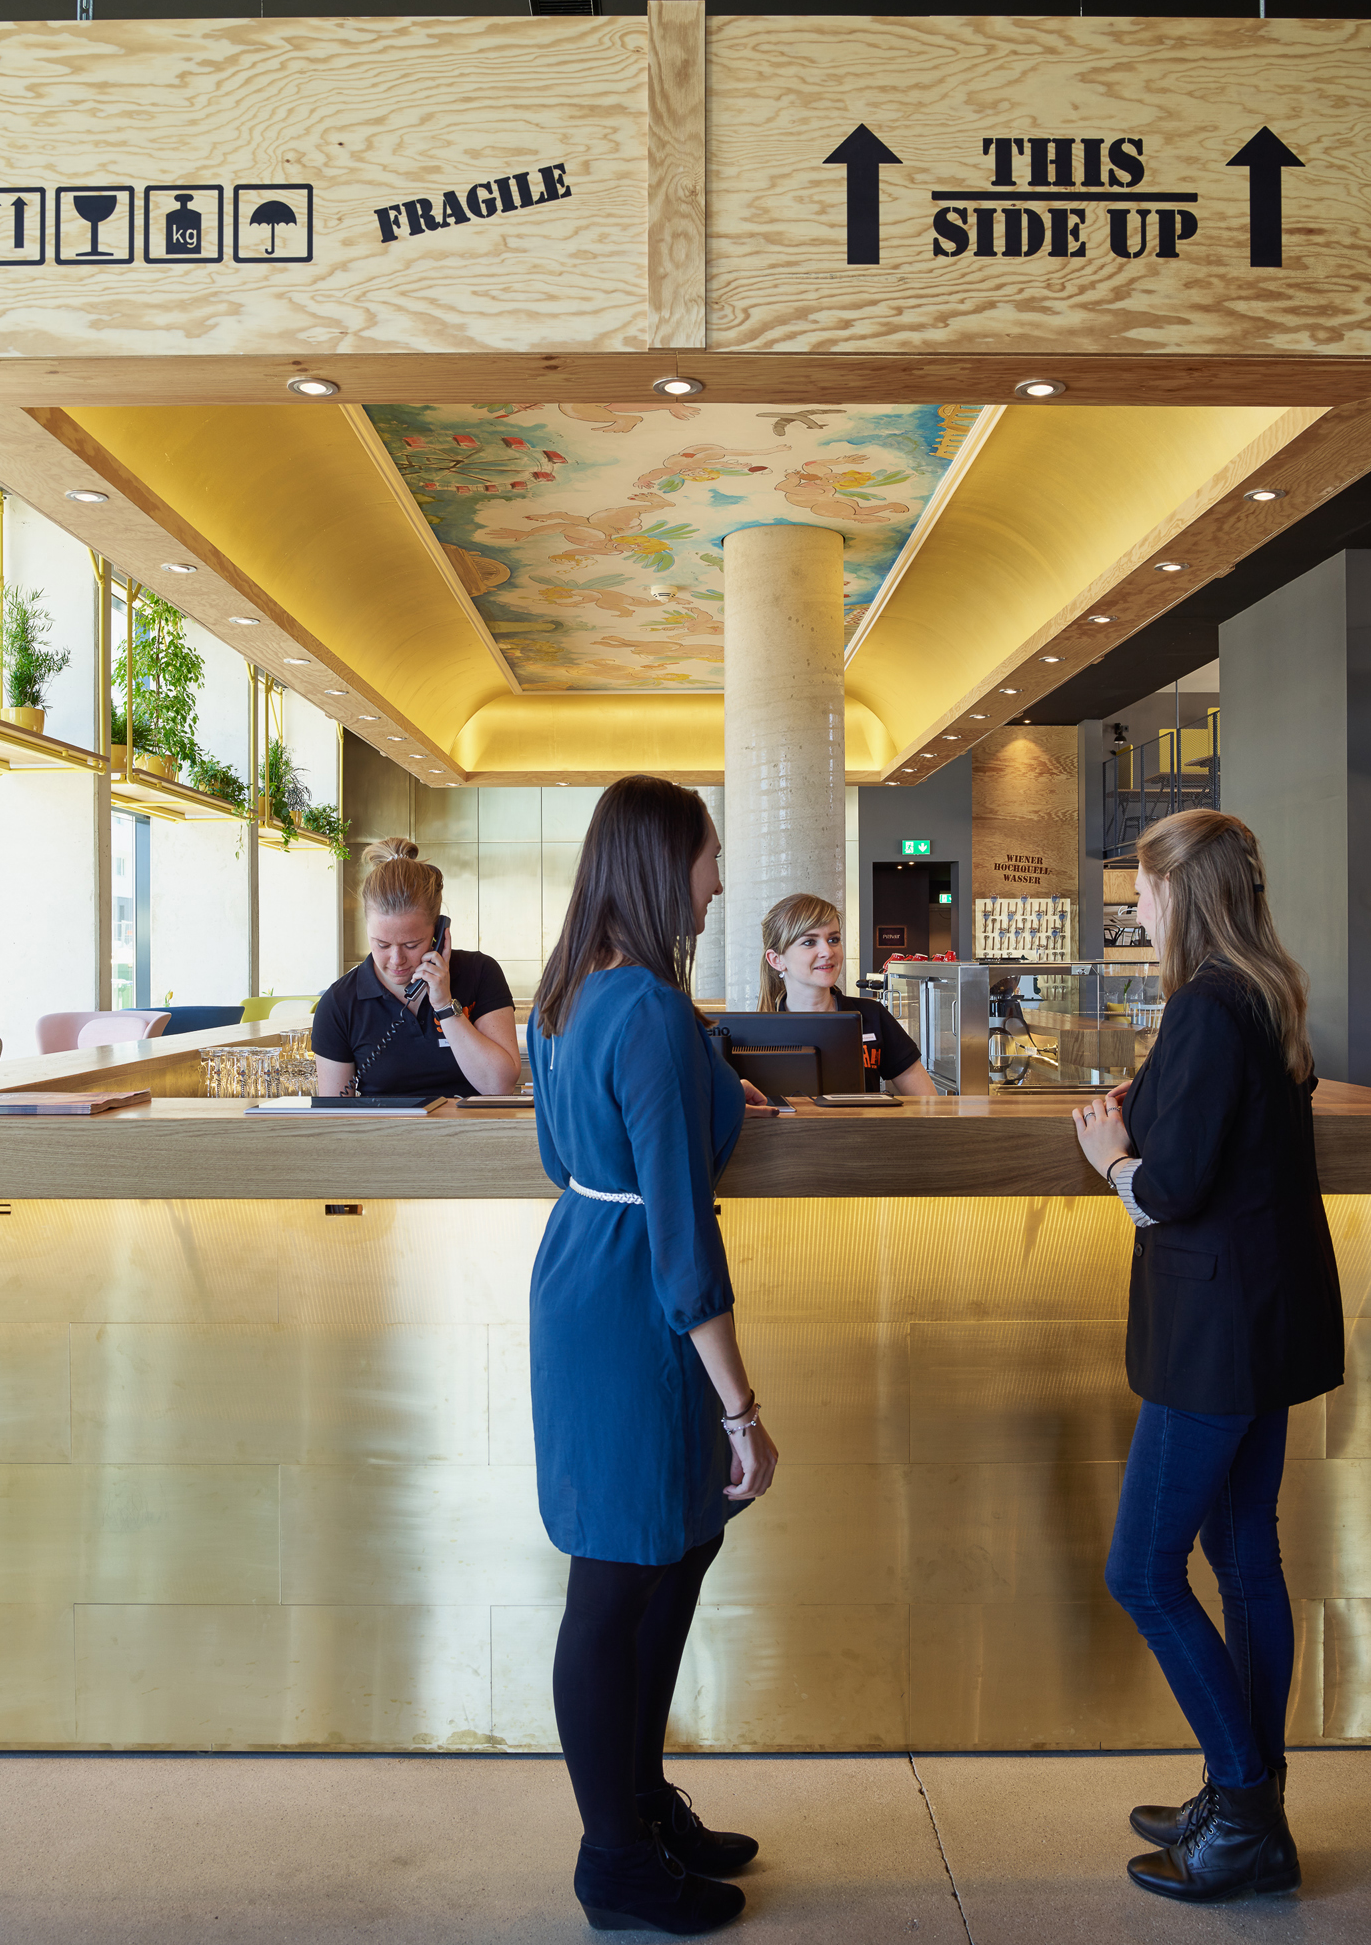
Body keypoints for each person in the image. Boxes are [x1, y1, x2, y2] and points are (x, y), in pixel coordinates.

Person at [1070, 809, 1343, 1906]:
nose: (1135, 906)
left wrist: (1110, 1158)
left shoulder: (1201, 1006)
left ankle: (1244, 1812)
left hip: (1214, 1332)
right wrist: (1146, 1111)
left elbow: (1170, 1189)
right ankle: (1246, 1800)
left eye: (1141, 888)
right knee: (1241, 1559)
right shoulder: (1263, 994)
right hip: (1265, 1319)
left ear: (1181, 892)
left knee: (1141, 1571)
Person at [527, 775, 778, 1937]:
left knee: (672, 1548)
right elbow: (680, 1228)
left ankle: (636, 1805)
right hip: (640, 1303)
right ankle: (613, 1857)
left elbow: (558, 1153)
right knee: (618, 1575)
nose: (717, 879)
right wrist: (740, 1408)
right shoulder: (649, 1011)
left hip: (584, 1272)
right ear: (661, 864)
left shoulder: (567, 992)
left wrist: (709, 1085)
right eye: (708, 856)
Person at [312, 838, 520, 1098]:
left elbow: (500, 1087)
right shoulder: (339, 1003)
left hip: (473, 1125)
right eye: (382, 944)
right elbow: (334, 1114)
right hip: (385, 1127)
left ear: (439, 933)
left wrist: (445, 1006)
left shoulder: (480, 973)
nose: (396, 959)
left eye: (411, 945)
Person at [758, 892, 939, 1095]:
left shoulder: (872, 1015)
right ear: (776, 960)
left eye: (833, 939)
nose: (828, 951)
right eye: (809, 942)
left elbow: (927, 1102)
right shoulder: (758, 1033)